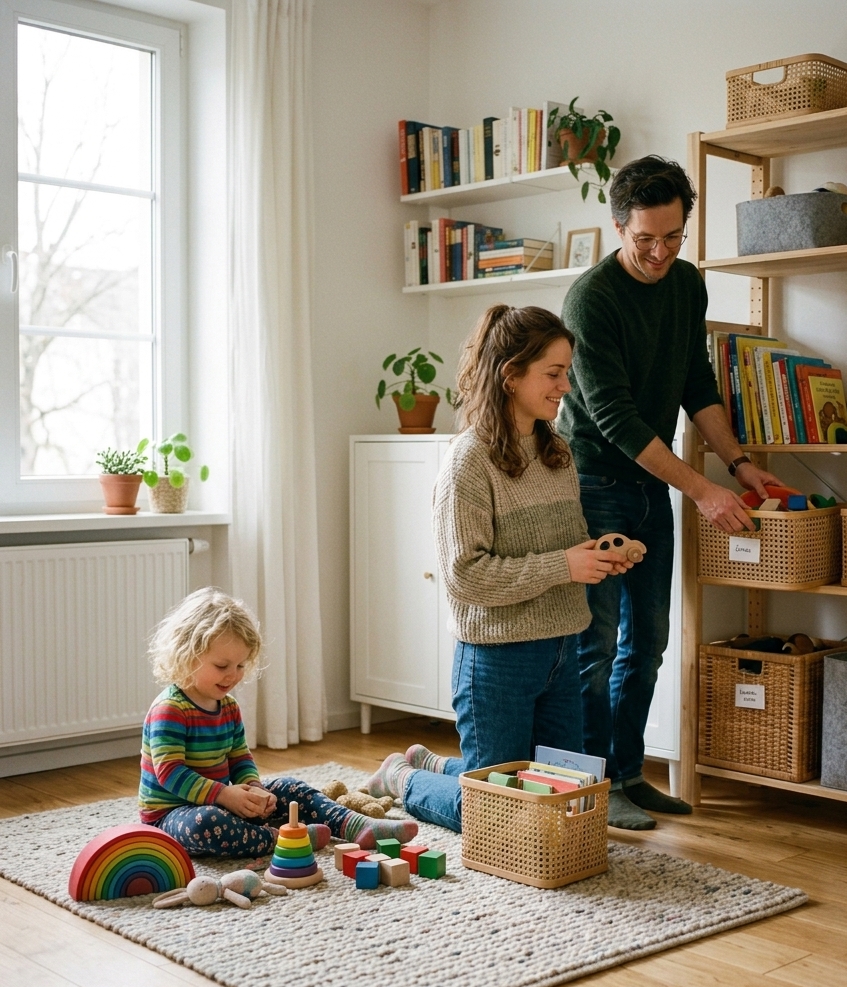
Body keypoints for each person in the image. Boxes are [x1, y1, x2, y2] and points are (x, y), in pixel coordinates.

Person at [558, 155, 784, 830]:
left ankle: (627, 773)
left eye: (674, 236)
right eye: (645, 239)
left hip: (652, 486)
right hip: (595, 483)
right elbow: (616, 418)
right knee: (595, 644)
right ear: (618, 226)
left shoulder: (687, 285)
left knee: (647, 641)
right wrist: (702, 491)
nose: (660, 252)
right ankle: (589, 787)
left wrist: (739, 465)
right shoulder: (590, 300)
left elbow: (697, 386)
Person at [365, 305, 632, 830]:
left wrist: (601, 551)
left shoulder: (557, 450)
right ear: (511, 375)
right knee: (496, 819)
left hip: (562, 648)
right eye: (553, 374)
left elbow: (563, 544)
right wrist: (564, 565)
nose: (566, 387)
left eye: (567, 373)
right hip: (497, 660)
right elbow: (466, 576)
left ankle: (437, 764)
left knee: (558, 804)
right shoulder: (468, 462)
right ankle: (402, 776)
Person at [139, 587, 418, 856]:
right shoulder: (170, 709)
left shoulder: (228, 706)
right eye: (222, 666)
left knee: (290, 787)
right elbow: (171, 773)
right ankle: (283, 839)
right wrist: (225, 795)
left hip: (225, 799)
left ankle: (356, 825)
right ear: (187, 655)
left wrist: (254, 789)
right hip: (173, 815)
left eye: (240, 666)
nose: (233, 676)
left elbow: (239, 757)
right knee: (207, 823)